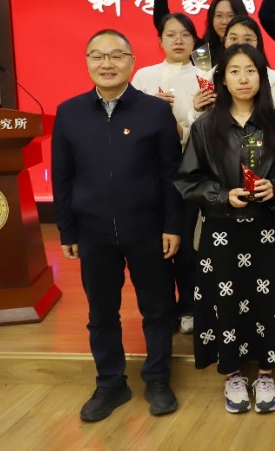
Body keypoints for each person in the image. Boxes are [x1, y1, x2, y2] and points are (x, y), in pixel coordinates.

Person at [52, 29, 182, 422]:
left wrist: (172, 225)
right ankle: (110, 383)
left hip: (147, 229)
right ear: (87, 62)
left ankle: (157, 379)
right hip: (92, 233)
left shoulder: (155, 111)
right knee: (101, 313)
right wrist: (67, 229)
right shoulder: (69, 113)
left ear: (131, 62)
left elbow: (170, 175)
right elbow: (63, 177)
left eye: (116, 56)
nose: (106, 64)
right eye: (97, 56)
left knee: (157, 309)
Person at [175, 44, 275, 415]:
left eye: (251, 70)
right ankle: (232, 374)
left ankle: (265, 374)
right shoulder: (205, 126)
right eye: (234, 71)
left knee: (270, 301)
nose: (243, 78)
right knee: (224, 302)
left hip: (267, 231)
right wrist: (221, 196)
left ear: (262, 77)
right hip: (221, 232)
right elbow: (187, 181)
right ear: (222, 79)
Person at [131, 13, 207, 335]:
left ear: (194, 40)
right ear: (159, 40)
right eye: (171, 34)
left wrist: (183, 121)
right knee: (154, 246)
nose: (178, 40)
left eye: (185, 34)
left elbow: (210, 126)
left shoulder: (206, 76)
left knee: (188, 246)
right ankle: (162, 309)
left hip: (190, 170)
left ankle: (189, 306)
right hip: (149, 173)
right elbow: (129, 123)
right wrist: (150, 111)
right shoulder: (143, 76)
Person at [222, 17, 275, 118]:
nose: (240, 44)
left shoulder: (274, 80)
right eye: (233, 39)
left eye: (247, 39)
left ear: (258, 42)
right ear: (225, 40)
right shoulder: (209, 78)